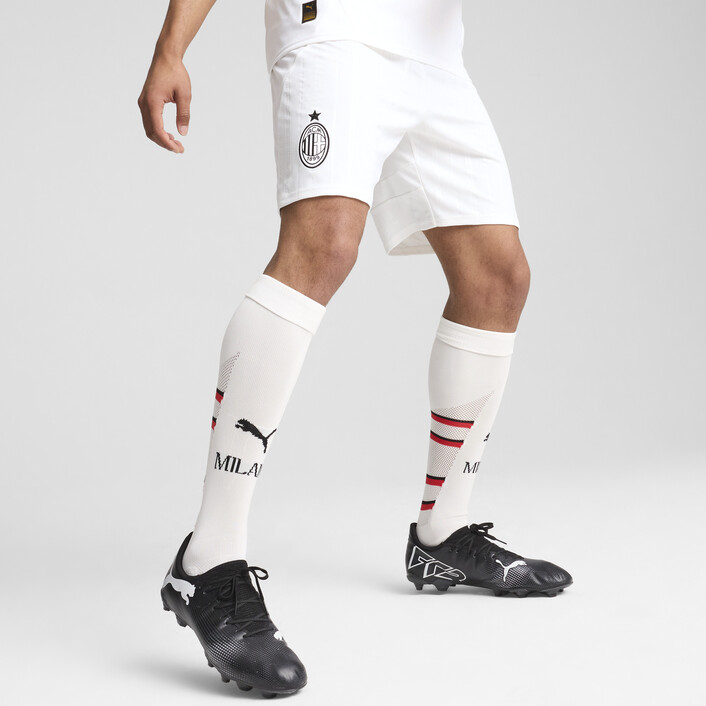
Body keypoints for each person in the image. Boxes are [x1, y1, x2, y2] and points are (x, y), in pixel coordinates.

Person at [139, 0, 572, 697]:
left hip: (432, 50)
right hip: (334, 30)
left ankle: (443, 535)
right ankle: (207, 561)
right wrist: (171, 48)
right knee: (323, 246)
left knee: (498, 278)